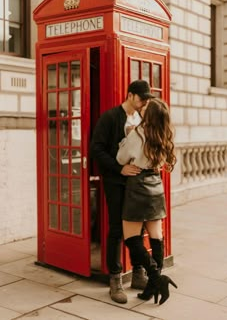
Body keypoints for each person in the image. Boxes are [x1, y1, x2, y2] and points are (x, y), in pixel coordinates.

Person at [90, 80, 154, 304]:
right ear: (129, 95)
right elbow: (96, 148)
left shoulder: (143, 118)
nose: (145, 101)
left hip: (138, 184)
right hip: (116, 182)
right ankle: (115, 279)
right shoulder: (110, 117)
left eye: (147, 98)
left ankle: (138, 274)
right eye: (141, 98)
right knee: (117, 228)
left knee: (138, 226)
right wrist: (120, 168)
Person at [116, 97, 177, 305]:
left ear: (148, 115)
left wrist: (127, 137)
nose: (142, 107)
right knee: (156, 238)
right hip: (156, 185)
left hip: (138, 185)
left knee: (132, 239)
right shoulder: (163, 134)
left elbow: (121, 158)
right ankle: (152, 287)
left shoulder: (137, 134)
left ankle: (157, 278)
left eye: (146, 107)